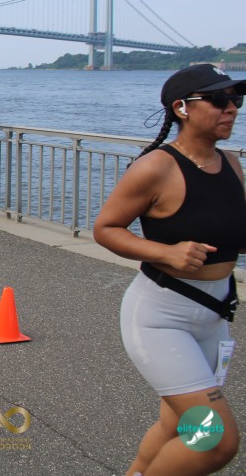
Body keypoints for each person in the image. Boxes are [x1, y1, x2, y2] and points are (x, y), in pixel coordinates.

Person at [93, 64, 244, 476]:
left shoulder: (231, 163)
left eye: (236, 98)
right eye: (218, 99)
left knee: (178, 426)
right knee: (215, 439)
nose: (231, 108)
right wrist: (167, 252)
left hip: (215, 317)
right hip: (162, 318)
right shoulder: (156, 167)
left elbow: (232, 234)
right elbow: (106, 229)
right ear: (182, 108)